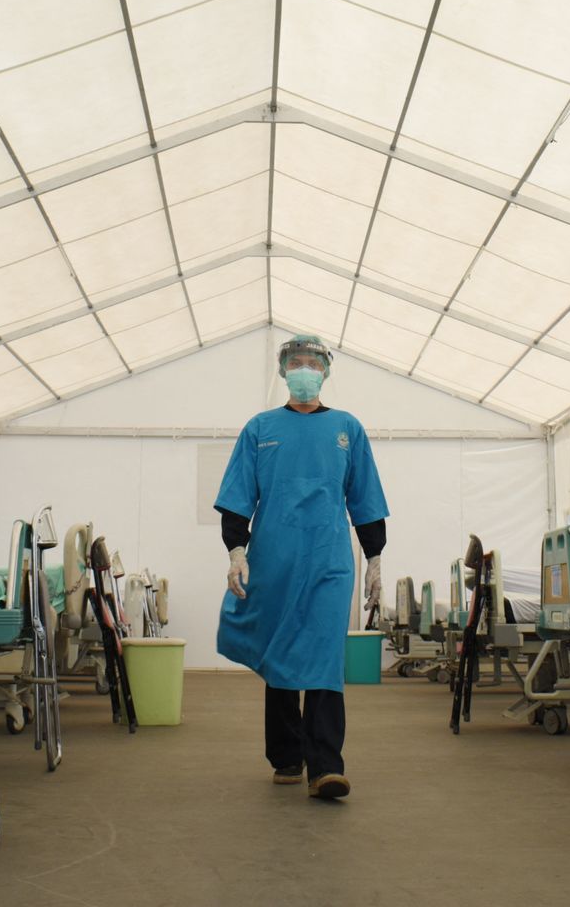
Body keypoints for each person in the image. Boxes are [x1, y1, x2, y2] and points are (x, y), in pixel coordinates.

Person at [214, 334, 388, 800]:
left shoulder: (348, 429)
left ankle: (326, 765)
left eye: (313, 362)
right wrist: (236, 551)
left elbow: (365, 498)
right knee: (282, 654)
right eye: (297, 362)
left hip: (330, 560)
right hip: (273, 561)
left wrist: (374, 561)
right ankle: (287, 755)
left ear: (326, 372)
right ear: (283, 371)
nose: (305, 369)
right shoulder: (260, 428)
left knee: (325, 659)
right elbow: (237, 498)